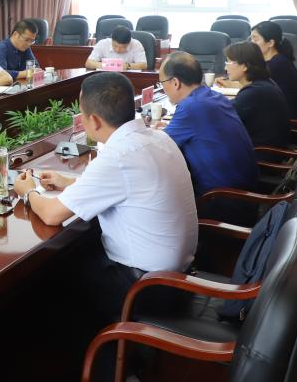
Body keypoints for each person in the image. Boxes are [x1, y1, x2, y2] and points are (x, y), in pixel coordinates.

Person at [13, 71, 197, 325]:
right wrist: (68, 182)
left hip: (144, 288)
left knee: (48, 276)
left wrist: (28, 191)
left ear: (95, 120)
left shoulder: (118, 156)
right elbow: (128, 187)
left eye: (81, 113)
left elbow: (51, 214)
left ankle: (83, 347)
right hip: (176, 278)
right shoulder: (158, 138)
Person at [159, 52, 259, 226]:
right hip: (245, 196)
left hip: (221, 203)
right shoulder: (214, 96)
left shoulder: (191, 107)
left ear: (175, 82)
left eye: (162, 83)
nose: (163, 88)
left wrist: (152, 133)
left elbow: (157, 149)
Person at [222, 41, 291, 150]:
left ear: (244, 66)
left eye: (228, 62)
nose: (225, 68)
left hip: (261, 154)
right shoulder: (263, 83)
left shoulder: (254, 92)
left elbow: (222, 118)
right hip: (264, 147)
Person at [252, 21, 297, 119]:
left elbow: (253, 89)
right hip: (275, 113)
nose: (251, 43)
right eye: (251, 39)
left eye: (255, 39)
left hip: (285, 120)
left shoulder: (277, 65)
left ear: (270, 43)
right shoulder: (274, 60)